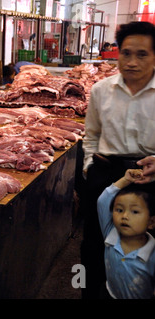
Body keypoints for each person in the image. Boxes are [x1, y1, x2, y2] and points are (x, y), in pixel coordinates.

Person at [80, 21, 155, 299]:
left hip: (150, 178)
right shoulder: (101, 90)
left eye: (142, 54)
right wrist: (90, 169)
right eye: (126, 53)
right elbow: (91, 135)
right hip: (107, 174)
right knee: (95, 245)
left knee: (147, 247)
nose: (132, 62)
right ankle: (90, 293)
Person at [97, 169, 155, 299]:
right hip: (109, 294)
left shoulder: (152, 254)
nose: (125, 216)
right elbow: (103, 201)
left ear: (151, 222)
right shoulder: (110, 233)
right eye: (119, 210)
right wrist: (125, 180)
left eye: (134, 211)